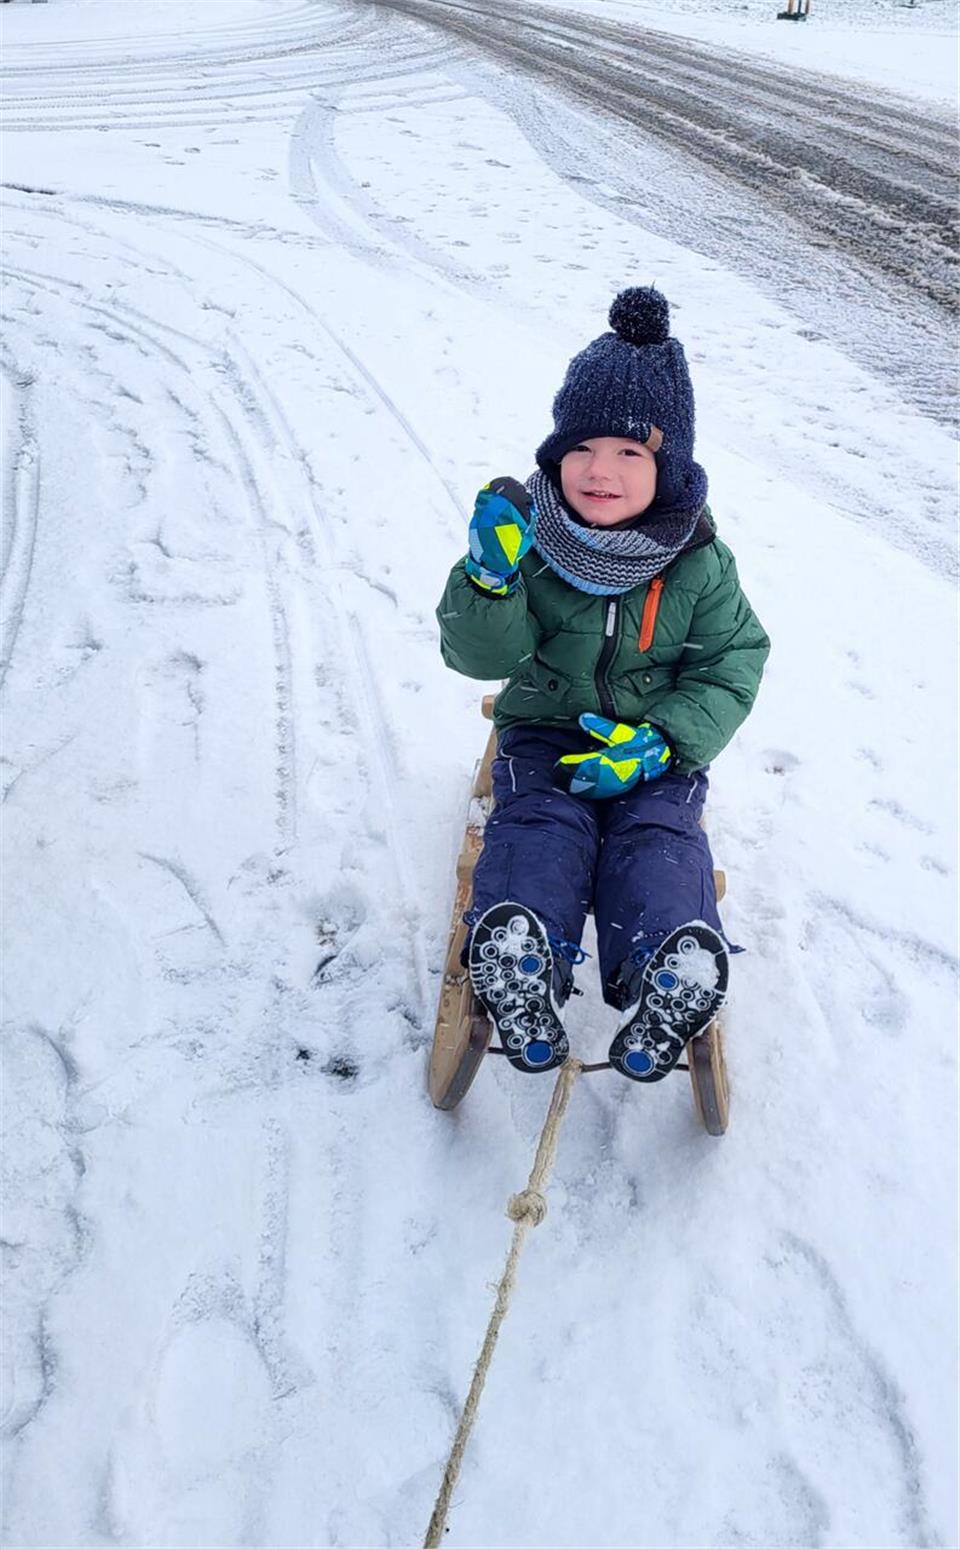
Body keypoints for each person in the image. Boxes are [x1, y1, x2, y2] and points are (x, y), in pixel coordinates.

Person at [436, 287, 770, 1082]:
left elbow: (733, 660)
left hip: (653, 747)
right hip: (548, 730)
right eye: (581, 447)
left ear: (668, 466)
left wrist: (665, 741)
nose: (599, 470)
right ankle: (519, 954)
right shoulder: (532, 538)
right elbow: (482, 655)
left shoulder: (697, 560)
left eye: (630, 453)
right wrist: (488, 579)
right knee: (540, 827)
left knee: (659, 838)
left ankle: (668, 970)